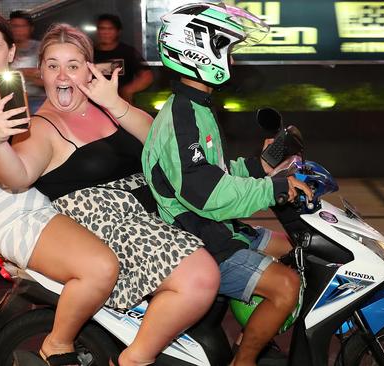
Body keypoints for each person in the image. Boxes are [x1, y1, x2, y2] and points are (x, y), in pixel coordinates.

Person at [0, 23, 220, 366]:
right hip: (109, 223)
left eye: (73, 65)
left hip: (154, 212)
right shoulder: (42, 127)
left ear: (90, 69)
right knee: (201, 278)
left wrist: (114, 102)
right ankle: (133, 360)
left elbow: (158, 140)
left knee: (241, 251)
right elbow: (17, 174)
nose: (62, 75)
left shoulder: (105, 105)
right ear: (41, 73)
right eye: (53, 66)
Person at [141, 3, 314, 366]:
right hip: (194, 235)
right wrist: (276, 188)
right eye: (227, 51)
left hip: (208, 224)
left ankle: (248, 333)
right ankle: (244, 359)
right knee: (287, 287)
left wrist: (261, 166)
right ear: (199, 50)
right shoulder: (184, 117)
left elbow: (213, 171)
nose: (231, 62)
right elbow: (208, 195)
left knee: (289, 248)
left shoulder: (196, 106)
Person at [0, 12, 120, 365]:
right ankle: (58, 344)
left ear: (11, 52)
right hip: (10, 209)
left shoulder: (4, 93)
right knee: (100, 267)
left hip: (25, 199)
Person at [93, 13, 153, 104]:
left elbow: (147, 76)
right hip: (95, 104)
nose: (105, 32)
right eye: (102, 28)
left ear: (118, 31)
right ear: (97, 31)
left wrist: (127, 90)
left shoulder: (128, 52)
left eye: (110, 29)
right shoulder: (90, 53)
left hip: (121, 105)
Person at [9, 10, 47, 113]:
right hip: (11, 99)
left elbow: (47, 77)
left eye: (22, 26)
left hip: (37, 99)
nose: (18, 30)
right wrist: (30, 73)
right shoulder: (4, 49)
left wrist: (20, 73)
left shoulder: (41, 48)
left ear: (31, 28)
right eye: (14, 26)